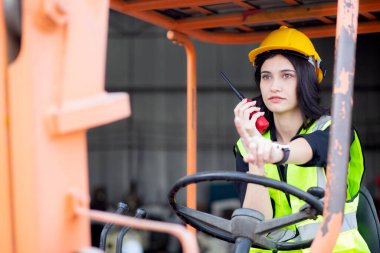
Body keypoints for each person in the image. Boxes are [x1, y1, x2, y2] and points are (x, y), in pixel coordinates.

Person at [233, 26, 369, 252]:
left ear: (306, 79)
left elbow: (313, 147)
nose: (274, 86)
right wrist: (256, 159)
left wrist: (278, 152)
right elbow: (258, 222)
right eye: (266, 77)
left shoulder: (335, 129)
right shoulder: (247, 144)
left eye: (286, 75)